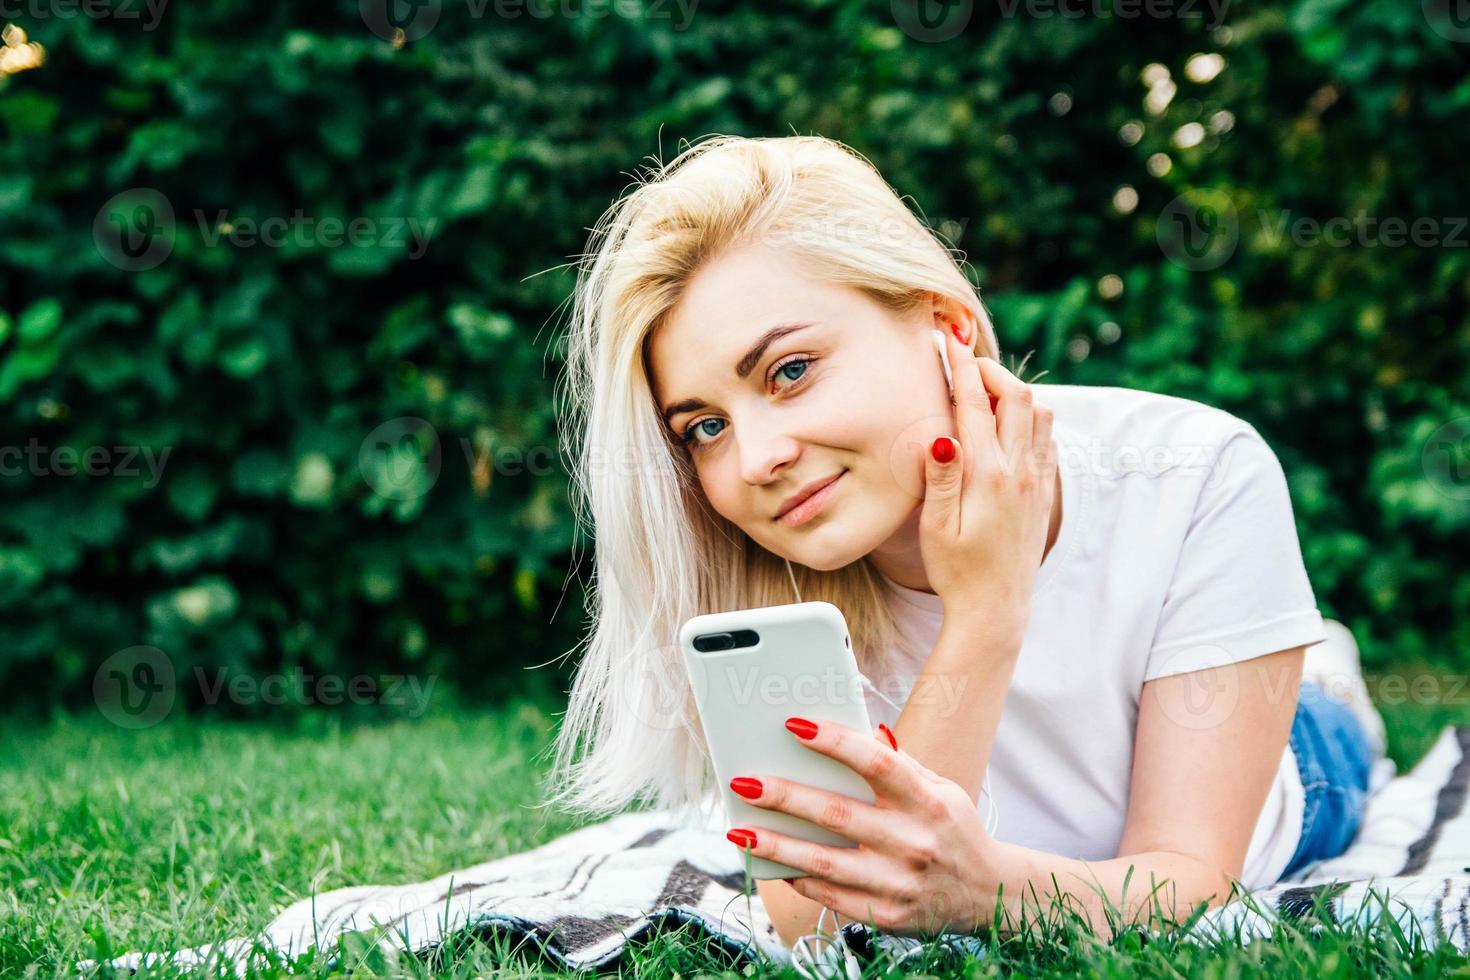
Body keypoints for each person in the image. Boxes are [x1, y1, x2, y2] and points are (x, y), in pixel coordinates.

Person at [545, 133, 1389, 949]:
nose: (757, 459)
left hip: (1300, 771)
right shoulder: (760, 584)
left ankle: (1322, 673)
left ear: (946, 326)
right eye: (704, 427)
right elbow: (825, 925)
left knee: (1326, 730)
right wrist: (983, 610)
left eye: (791, 371)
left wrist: (984, 894)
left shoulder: (1193, 469)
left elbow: (1189, 879)